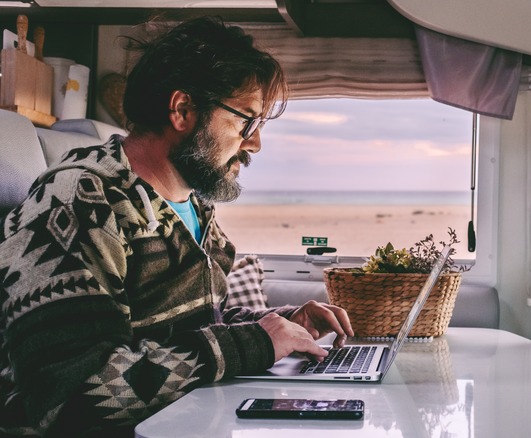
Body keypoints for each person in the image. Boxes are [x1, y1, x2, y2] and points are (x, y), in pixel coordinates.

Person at [0, 16, 353, 436]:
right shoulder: (80, 201)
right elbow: (68, 396)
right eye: (247, 121)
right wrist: (255, 343)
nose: (255, 142)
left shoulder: (193, 208)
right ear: (183, 110)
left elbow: (189, 330)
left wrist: (283, 324)